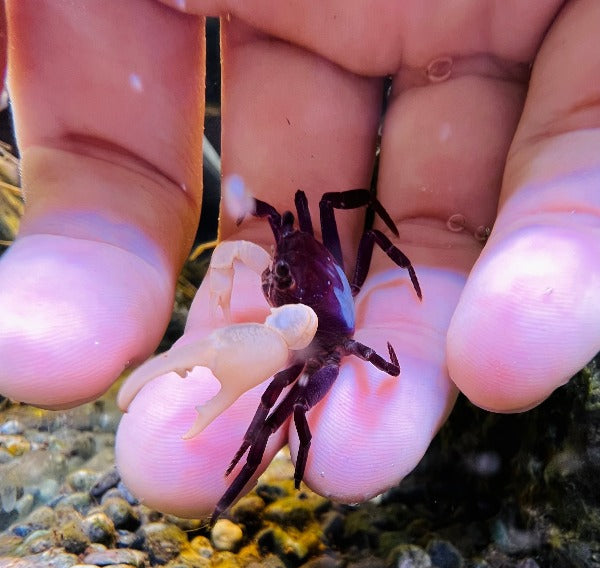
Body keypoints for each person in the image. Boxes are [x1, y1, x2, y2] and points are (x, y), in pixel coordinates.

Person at [0, 0, 598, 517]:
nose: (273, 273)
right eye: (276, 273)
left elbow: (367, 355)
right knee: (295, 220)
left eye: (278, 278)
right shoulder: (290, 244)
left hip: (332, 341)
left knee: (278, 406)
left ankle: (237, 483)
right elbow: (282, 229)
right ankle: (228, 480)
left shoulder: (315, 335)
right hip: (320, 288)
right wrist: (269, 251)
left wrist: (394, 279)